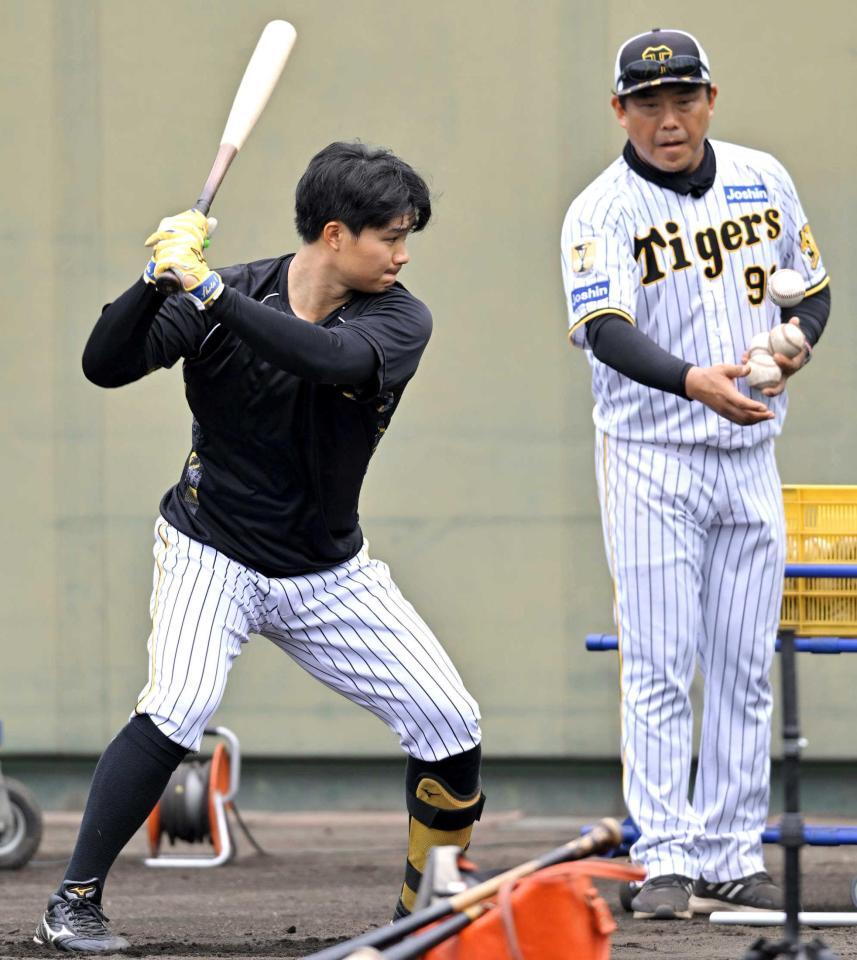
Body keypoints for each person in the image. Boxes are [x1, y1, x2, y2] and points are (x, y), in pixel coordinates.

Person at [35, 141, 484, 953]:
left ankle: (431, 912)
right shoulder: (226, 293)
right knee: (179, 706)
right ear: (337, 234)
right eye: (390, 234)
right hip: (211, 548)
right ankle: (72, 902)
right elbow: (103, 365)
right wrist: (154, 280)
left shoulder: (394, 316)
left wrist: (206, 289)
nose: (403, 252)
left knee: (448, 720)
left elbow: (327, 358)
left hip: (328, 570)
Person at [560, 28, 830, 920]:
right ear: (619, 112)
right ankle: (666, 854)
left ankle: (727, 851)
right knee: (662, 662)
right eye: (647, 103)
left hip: (750, 455)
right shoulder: (600, 210)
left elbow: (813, 286)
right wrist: (692, 382)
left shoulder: (763, 176)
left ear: (710, 98)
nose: (666, 118)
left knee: (746, 664)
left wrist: (795, 343)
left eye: (681, 99)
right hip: (652, 457)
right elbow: (605, 330)